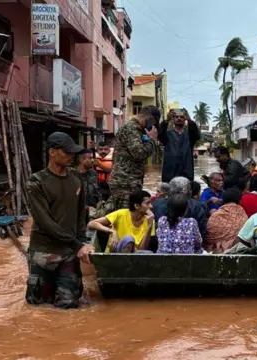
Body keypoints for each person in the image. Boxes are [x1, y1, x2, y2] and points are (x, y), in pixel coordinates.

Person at [24, 132, 94, 309]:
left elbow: (81, 214)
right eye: (67, 152)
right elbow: (45, 222)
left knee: (69, 305)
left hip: (69, 253)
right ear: (52, 152)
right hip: (43, 253)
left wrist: (82, 242)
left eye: (73, 153)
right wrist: (77, 244)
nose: (71, 156)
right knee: (38, 307)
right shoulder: (37, 182)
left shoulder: (76, 179)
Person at [108, 106, 160, 209]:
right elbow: (139, 154)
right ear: (150, 119)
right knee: (125, 216)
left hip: (130, 181)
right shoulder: (131, 128)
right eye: (153, 123)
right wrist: (152, 140)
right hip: (125, 182)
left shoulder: (138, 130)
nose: (153, 126)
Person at [88, 190, 155, 253]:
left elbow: (142, 250)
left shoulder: (149, 220)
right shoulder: (121, 214)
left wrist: (149, 226)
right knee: (128, 239)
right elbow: (92, 223)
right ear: (137, 206)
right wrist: (112, 231)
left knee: (148, 253)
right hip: (116, 253)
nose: (151, 206)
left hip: (135, 257)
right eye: (147, 203)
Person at [159, 108, 201, 183]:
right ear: (173, 119)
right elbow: (159, 134)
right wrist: (166, 120)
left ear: (185, 119)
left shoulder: (190, 136)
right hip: (169, 175)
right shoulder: (167, 135)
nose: (179, 118)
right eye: (176, 117)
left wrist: (190, 120)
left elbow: (197, 135)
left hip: (186, 175)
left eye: (182, 117)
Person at [205, 188, 248, 254]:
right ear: (239, 200)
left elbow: (209, 235)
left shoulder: (216, 215)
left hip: (214, 252)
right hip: (236, 251)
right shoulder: (242, 214)